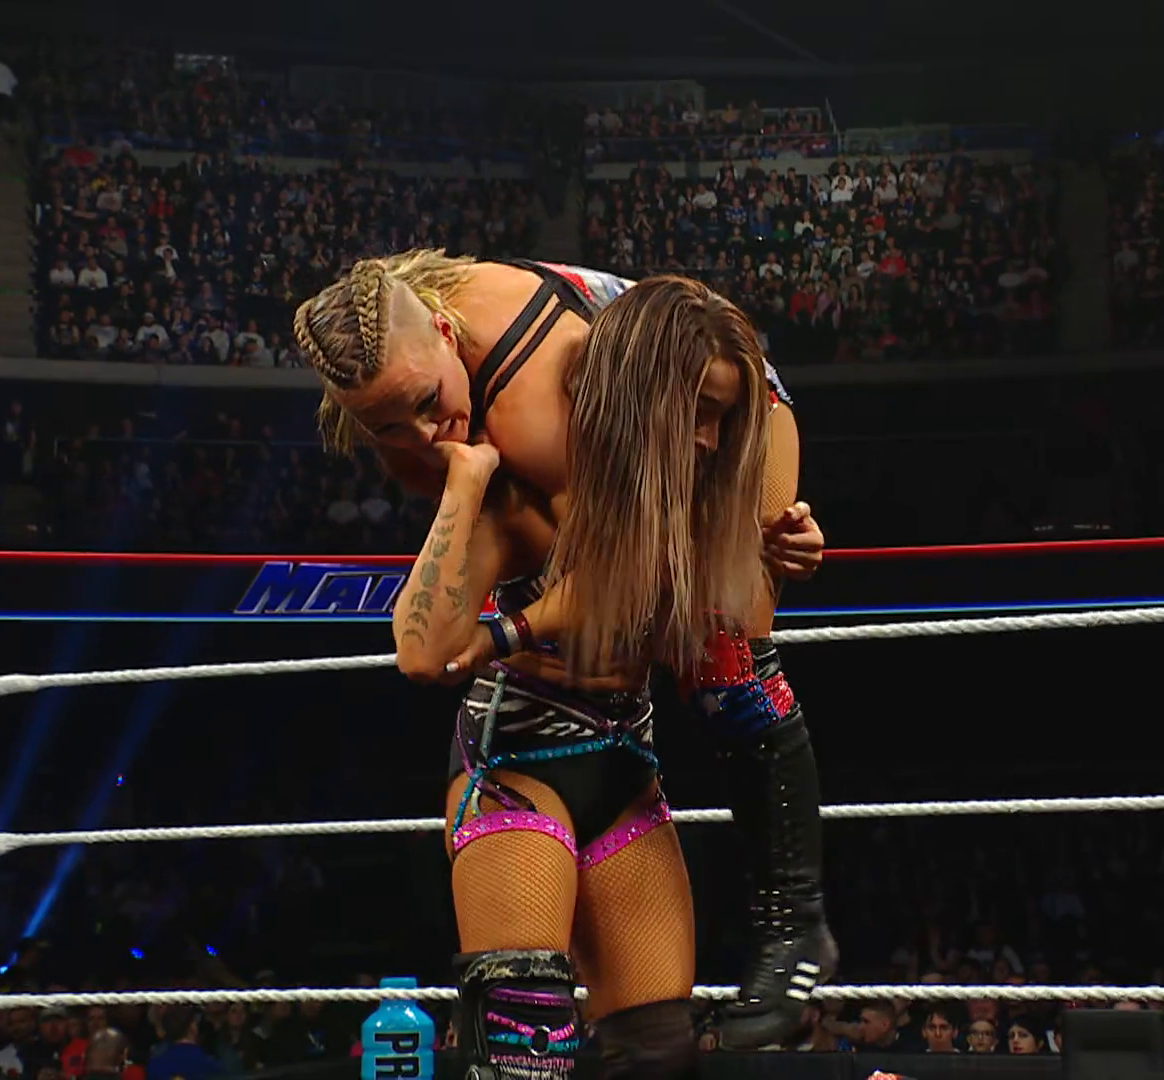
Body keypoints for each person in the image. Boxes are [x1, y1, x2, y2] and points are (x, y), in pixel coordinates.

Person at [292, 251, 834, 1048]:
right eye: (389, 426)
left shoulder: (582, 393)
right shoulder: (491, 450)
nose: (426, 434)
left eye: (427, 404)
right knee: (525, 1041)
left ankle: (795, 927)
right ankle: (794, 929)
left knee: (656, 1050)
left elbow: (647, 573)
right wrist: (465, 483)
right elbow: (422, 650)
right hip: (521, 749)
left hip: (627, 751)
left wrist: (764, 537)